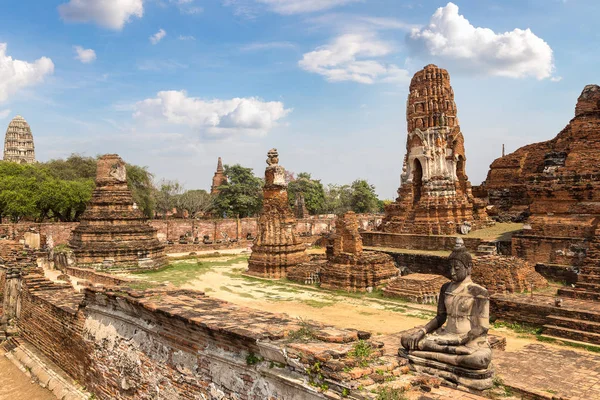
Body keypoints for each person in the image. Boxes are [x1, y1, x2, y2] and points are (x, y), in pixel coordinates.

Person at [400, 238, 492, 371]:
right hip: (445, 336)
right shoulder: (445, 288)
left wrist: (459, 341)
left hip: (466, 340)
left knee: (479, 360)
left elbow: (482, 328)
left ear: (469, 267)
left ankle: (426, 357)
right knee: (407, 340)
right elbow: (440, 317)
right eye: (450, 268)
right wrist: (422, 331)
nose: (452, 272)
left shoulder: (479, 292)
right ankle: (446, 359)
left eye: (457, 268)